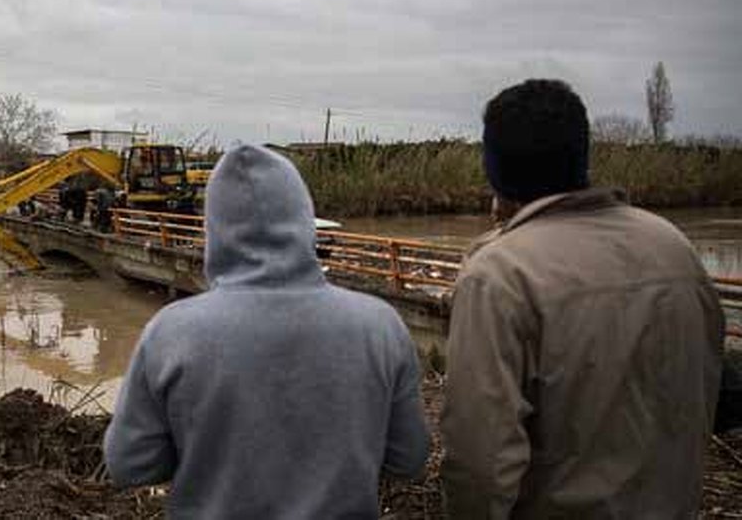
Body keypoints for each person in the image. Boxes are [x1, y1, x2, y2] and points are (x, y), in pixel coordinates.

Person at [441, 79, 724, 518]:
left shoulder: (498, 274)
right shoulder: (673, 245)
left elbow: (480, 461)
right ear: (581, 155)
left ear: (493, 169)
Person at [104, 144, 428, 518]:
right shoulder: (380, 325)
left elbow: (130, 465)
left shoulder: (170, 332)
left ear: (214, 229)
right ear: (305, 219)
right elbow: (409, 459)